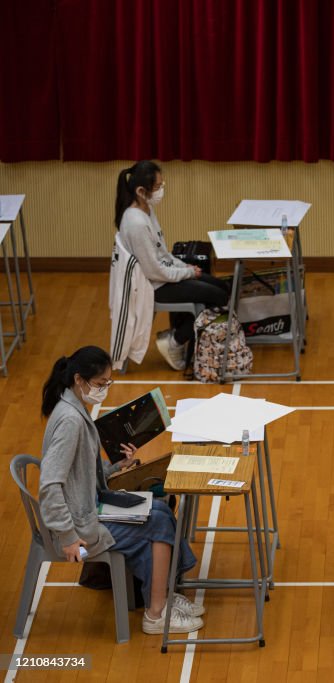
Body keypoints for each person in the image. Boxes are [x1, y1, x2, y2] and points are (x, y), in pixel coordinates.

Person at [38, 346, 205, 635]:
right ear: (79, 380)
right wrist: (67, 536)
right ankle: (156, 614)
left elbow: (82, 473)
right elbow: (50, 484)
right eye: (101, 384)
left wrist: (117, 466)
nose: (104, 389)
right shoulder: (70, 422)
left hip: (89, 507)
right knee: (158, 523)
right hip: (78, 526)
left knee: (161, 509)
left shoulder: (76, 409)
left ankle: (161, 594)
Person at [114, 160, 230, 371]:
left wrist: (185, 267)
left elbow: (162, 253)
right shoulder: (135, 223)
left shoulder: (146, 211)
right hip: (153, 286)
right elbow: (153, 271)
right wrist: (185, 273)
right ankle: (175, 340)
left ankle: (180, 337)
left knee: (222, 288)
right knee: (218, 297)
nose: (161, 191)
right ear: (141, 191)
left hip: (163, 275)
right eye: (157, 187)